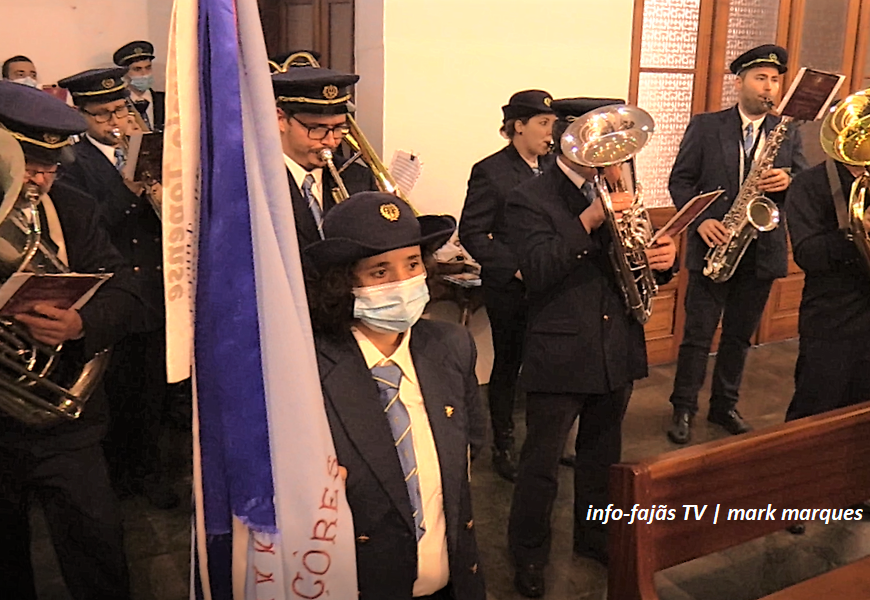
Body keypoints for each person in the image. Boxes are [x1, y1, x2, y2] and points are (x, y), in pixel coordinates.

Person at [504, 97, 677, 597]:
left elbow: (638, 265)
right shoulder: (530, 197)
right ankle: (529, 554)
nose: (614, 155)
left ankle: (594, 536)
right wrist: (589, 221)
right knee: (541, 464)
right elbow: (535, 272)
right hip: (561, 349)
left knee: (603, 456)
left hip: (615, 345)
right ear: (569, 138)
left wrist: (660, 260)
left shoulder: (623, 185)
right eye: (602, 141)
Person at [304, 192, 487, 600]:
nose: (403, 283)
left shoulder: (451, 345)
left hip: (449, 577)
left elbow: (471, 444)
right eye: (380, 272)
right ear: (344, 283)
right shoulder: (310, 367)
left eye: (413, 264)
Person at [0, 80, 140, 600]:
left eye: (53, 164)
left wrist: (81, 325)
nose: (41, 178)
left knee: (98, 552)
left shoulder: (73, 207)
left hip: (64, 421)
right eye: (31, 162)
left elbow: (127, 290)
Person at [666, 44, 807, 445]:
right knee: (697, 334)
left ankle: (724, 404)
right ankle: (684, 407)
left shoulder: (788, 130)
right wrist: (701, 220)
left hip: (761, 249)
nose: (769, 87)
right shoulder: (706, 126)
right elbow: (681, 181)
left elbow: (805, 178)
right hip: (715, 244)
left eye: (775, 80)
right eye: (761, 78)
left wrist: (790, 181)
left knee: (739, 335)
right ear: (740, 81)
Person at [57, 67, 177, 508]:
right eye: (101, 115)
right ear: (80, 114)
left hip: (159, 286)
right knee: (122, 392)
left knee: (154, 390)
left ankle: (148, 469)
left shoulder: (147, 146)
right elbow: (90, 227)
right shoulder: (72, 163)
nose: (114, 122)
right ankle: (123, 478)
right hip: (115, 293)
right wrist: (128, 188)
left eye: (121, 109)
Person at [458, 89, 556, 482]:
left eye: (553, 124)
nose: (551, 133)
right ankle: (504, 442)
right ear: (518, 126)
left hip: (552, 284)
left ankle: (545, 443)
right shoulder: (491, 171)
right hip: (512, 288)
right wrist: (514, 269)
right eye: (543, 124)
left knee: (548, 365)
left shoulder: (555, 168)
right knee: (509, 364)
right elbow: (473, 232)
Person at [785, 155, 870, 420]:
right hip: (833, 322)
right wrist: (857, 231)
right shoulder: (809, 184)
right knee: (815, 417)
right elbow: (807, 254)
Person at [272, 62, 377, 264]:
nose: (330, 141)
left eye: (339, 128)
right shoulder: (254, 182)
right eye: (317, 129)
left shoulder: (357, 178)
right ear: (281, 119)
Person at [113, 41, 165, 130]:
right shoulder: (118, 104)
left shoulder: (166, 100)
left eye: (148, 68)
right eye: (137, 69)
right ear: (125, 73)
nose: (144, 74)